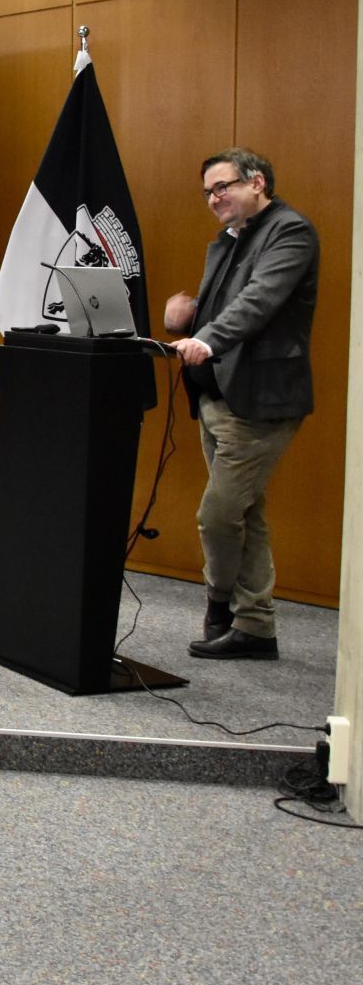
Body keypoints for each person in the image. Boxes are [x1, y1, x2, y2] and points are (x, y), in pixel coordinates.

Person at [162, 147, 318, 660]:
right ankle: (255, 626)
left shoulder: (290, 232)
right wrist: (186, 318)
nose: (214, 198)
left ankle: (220, 604)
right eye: (208, 192)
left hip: (259, 401)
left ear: (257, 182)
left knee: (218, 514)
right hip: (216, 396)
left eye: (222, 186)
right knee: (245, 513)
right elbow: (223, 306)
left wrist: (206, 340)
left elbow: (258, 302)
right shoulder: (228, 240)